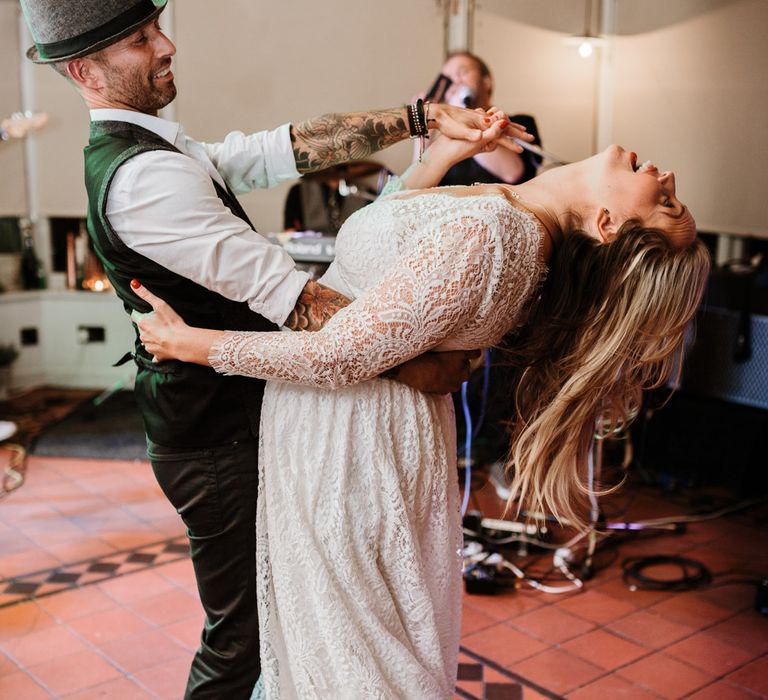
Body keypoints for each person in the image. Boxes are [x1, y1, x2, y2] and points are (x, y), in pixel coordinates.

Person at [19, 1, 532, 697]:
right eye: (141, 39)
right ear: (86, 70)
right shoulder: (142, 179)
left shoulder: (162, 151)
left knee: (284, 620)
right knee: (244, 641)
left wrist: (421, 121)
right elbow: (295, 304)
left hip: (241, 422)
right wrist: (423, 364)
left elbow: (285, 147)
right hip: (216, 441)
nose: (166, 45)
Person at [133, 136, 711, 697]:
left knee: (352, 645)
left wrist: (190, 344)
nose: (669, 179)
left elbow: (338, 354)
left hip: (351, 434)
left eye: (665, 204)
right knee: (345, 633)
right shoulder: (510, 217)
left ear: (606, 224)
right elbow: (385, 259)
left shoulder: (495, 236)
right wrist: (442, 153)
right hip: (359, 420)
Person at [427, 51, 543, 187]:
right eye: (449, 79)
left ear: (487, 81)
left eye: (462, 73)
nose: (456, 83)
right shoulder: (443, 137)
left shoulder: (521, 122)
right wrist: (423, 127)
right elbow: (419, 186)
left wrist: (465, 113)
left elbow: (512, 173)